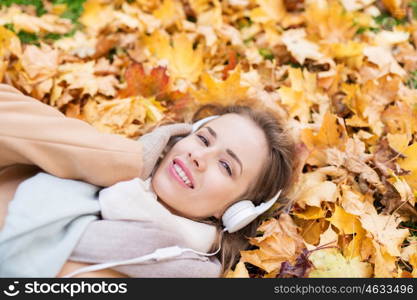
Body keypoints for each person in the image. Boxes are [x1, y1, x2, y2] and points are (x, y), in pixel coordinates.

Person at [0, 83, 296, 277]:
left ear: (236, 212)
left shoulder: (176, 268)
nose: (199, 157)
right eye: (203, 139)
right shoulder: (100, 160)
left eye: (225, 165)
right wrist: (126, 159)